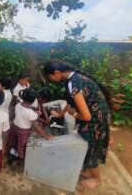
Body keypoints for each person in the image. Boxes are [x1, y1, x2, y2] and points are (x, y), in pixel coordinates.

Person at [43, 61, 111, 189]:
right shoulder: (72, 78)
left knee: (90, 146)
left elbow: (86, 116)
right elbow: (71, 102)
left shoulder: (73, 83)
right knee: (85, 142)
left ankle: (96, 178)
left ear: (57, 73)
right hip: (96, 114)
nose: (51, 80)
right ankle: (88, 170)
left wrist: (73, 114)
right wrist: (60, 114)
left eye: (50, 77)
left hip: (96, 120)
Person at [10, 88, 54, 165]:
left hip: (15, 128)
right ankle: (21, 160)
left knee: (15, 143)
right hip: (23, 132)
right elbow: (37, 127)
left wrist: (37, 116)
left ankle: (13, 155)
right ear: (33, 100)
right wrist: (46, 136)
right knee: (22, 146)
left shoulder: (18, 105)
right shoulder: (30, 112)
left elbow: (24, 113)